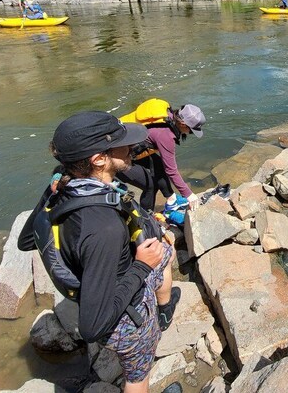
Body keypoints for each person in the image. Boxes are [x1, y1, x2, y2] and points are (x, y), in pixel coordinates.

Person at [17, 112, 181, 393]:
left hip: (101, 276)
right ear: (98, 159)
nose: (132, 149)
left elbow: (26, 240)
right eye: (123, 144)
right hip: (127, 315)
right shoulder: (103, 229)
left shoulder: (63, 184)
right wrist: (142, 266)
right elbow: (93, 326)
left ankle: (163, 310)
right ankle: (159, 315)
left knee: (165, 249)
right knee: (138, 375)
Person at [117, 100, 206, 212]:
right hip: (113, 158)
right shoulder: (165, 135)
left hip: (123, 144)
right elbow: (171, 171)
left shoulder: (166, 113)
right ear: (183, 124)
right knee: (151, 185)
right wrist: (188, 194)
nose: (190, 133)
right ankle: (146, 219)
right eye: (191, 130)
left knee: (158, 163)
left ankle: (171, 199)